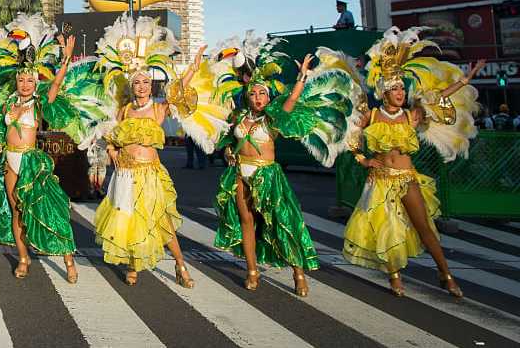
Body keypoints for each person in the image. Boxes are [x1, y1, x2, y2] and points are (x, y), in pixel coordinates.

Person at [209, 36, 356, 297]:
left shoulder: (273, 118)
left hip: (268, 176)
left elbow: (290, 102)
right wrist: (230, 151)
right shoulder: (240, 117)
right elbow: (228, 141)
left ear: (268, 97)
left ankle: (298, 272)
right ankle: (252, 271)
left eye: (262, 94)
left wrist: (301, 77)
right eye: (253, 93)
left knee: (282, 223)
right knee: (246, 220)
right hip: (240, 174)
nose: (257, 97)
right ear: (247, 95)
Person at [343, 27, 483, 298]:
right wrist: (363, 160)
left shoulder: (412, 115)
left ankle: (445, 273)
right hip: (380, 181)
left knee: (424, 227)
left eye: (400, 88)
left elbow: (439, 100)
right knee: (387, 231)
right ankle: (394, 277)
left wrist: (465, 80)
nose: (399, 93)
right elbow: (351, 138)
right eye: (394, 89)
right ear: (384, 92)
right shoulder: (370, 115)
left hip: (407, 178)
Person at [92, 16, 228, 287]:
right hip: (125, 175)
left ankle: (180, 265)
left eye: (145, 82)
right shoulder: (124, 110)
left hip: (150, 174)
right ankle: (133, 264)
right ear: (131, 87)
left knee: (162, 222)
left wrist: (194, 66)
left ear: (151, 85)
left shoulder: (158, 109)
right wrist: (111, 150)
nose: (141, 86)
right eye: (136, 82)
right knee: (128, 219)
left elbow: (179, 91)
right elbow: (112, 136)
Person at [0, 14, 93, 283]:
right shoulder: (7, 103)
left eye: (30, 81)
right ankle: (23, 258)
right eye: (21, 81)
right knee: (15, 210)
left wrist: (66, 57)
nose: (25, 85)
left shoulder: (39, 102)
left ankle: (68, 259)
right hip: (10, 161)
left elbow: (55, 84)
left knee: (49, 210)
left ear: (35, 83)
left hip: (31, 162)